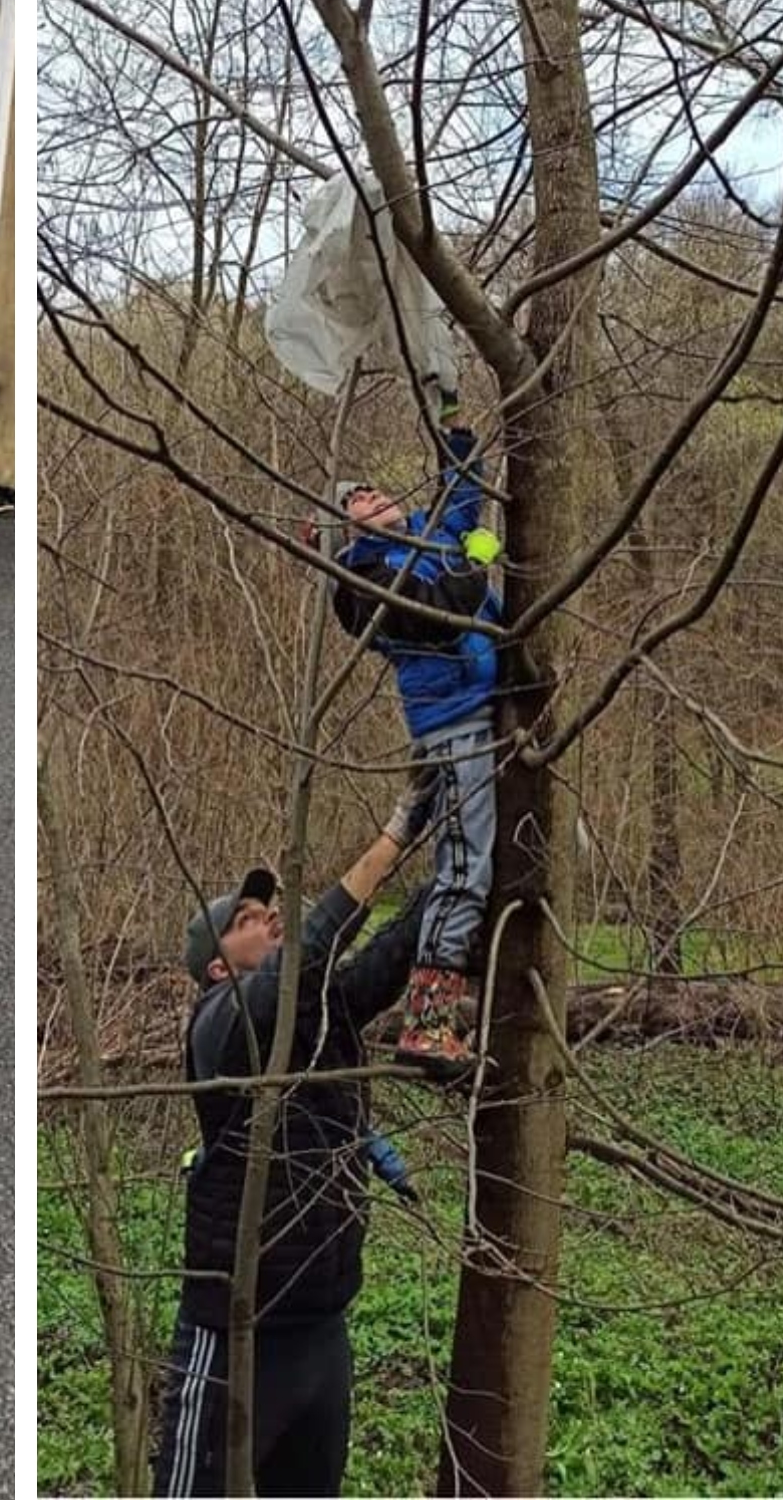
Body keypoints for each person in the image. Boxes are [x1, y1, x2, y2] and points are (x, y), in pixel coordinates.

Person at [155, 791, 430, 1497]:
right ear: (218, 964)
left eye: (268, 910)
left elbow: (388, 956)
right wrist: (394, 836)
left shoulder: (317, 1014)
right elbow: (301, 964)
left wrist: (453, 872)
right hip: (238, 1340)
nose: (269, 917)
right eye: (247, 921)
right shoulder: (222, 1022)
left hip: (322, 1334)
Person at [330, 401, 505, 1069]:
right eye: (353, 501)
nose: (368, 493)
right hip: (455, 728)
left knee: (483, 860)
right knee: (464, 869)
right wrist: (479, 560)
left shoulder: (423, 542)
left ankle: (450, 993)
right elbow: (443, 612)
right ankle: (426, 1023)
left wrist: (457, 433)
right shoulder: (365, 582)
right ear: (342, 532)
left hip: (483, 718)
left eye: (371, 487)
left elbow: (461, 505)